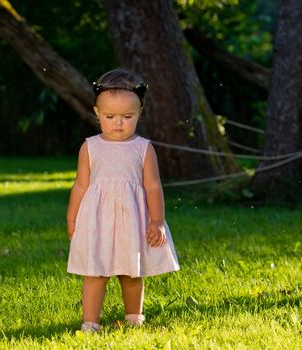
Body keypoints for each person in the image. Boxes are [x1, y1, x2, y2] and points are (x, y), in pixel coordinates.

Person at [66, 68, 180, 332]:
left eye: (127, 116)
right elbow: (80, 185)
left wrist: (158, 221)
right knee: (95, 273)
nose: (119, 123)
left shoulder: (143, 148)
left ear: (140, 113)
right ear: (97, 113)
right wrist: (72, 218)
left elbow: (153, 186)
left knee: (131, 272)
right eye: (110, 116)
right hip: (97, 221)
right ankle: (90, 323)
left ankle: (134, 318)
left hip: (133, 220)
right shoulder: (90, 147)